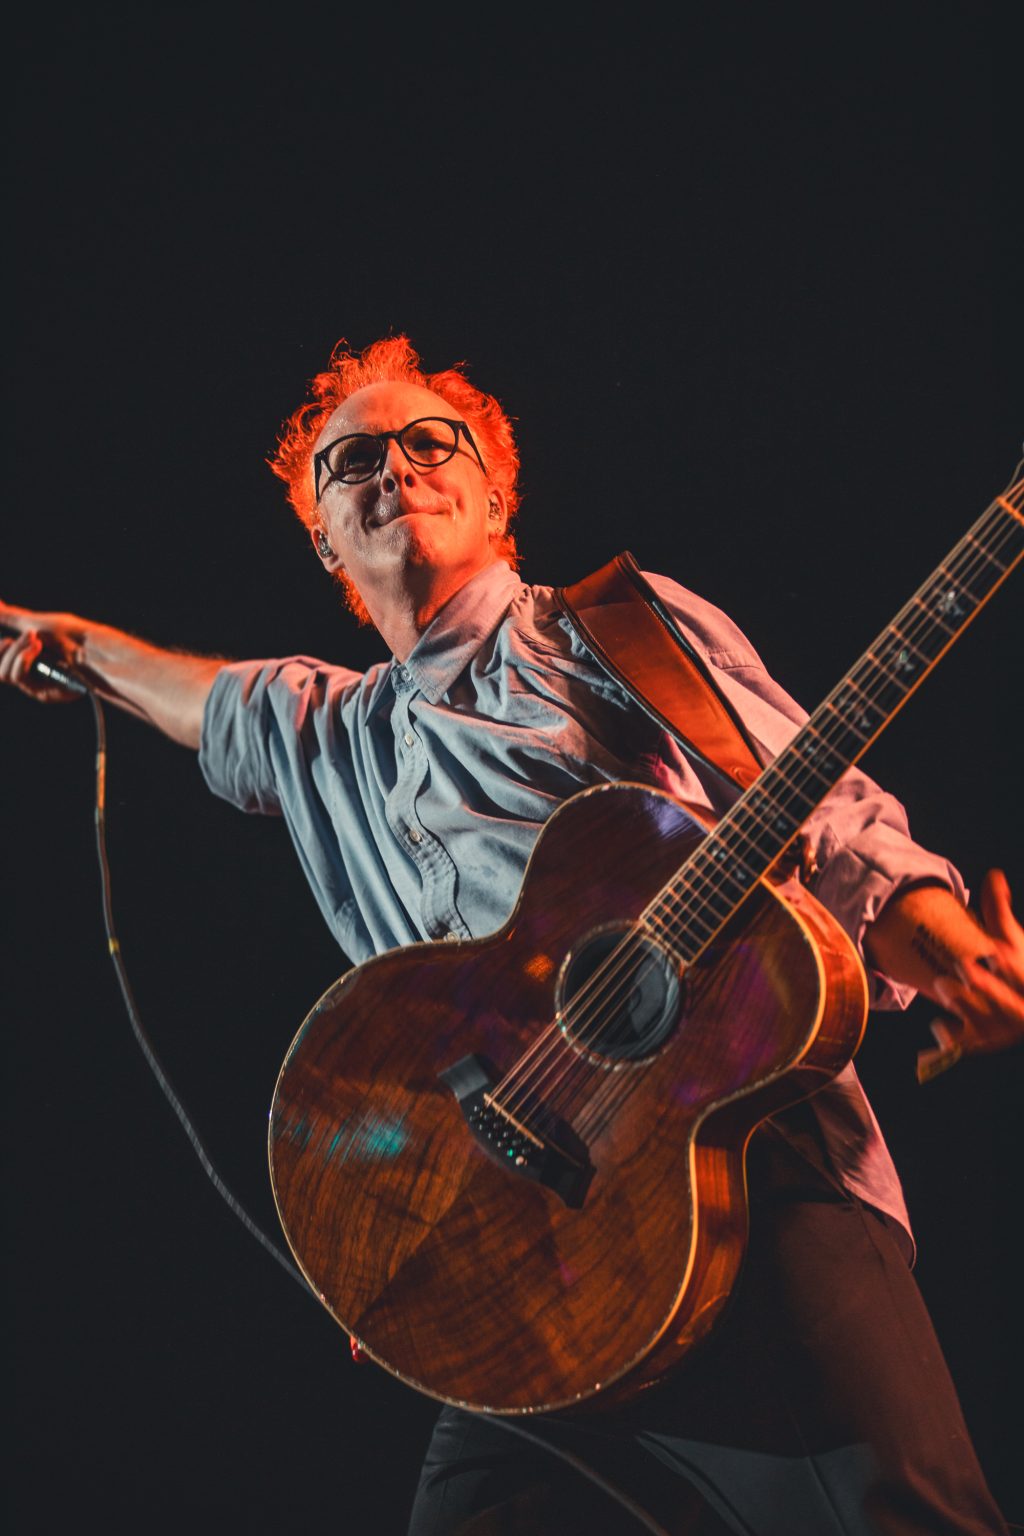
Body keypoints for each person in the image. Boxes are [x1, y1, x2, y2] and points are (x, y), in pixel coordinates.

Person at [1, 336, 1020, 1536]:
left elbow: (829, 813)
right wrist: (66, 644)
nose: (400, 467)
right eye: (355, 459)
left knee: (905, 1516)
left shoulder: (607, 631)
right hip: (518, 1267)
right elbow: (182, 691)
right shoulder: (319, 728)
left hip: (741, 1184)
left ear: (495, 493)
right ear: (324, 535)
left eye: (434, 442)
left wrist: (946, 948)